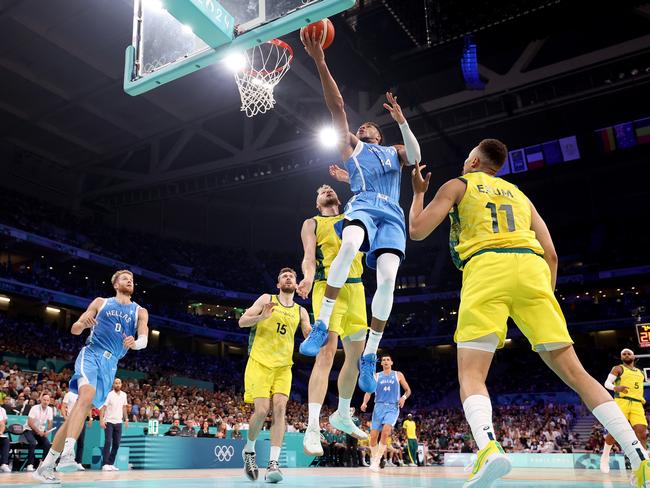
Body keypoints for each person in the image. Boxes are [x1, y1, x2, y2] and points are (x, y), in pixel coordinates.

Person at [408, 139, 650, 487]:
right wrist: (541, 297)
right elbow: (551, 254)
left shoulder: (458, 184)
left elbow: (417, 230)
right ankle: (640, 458)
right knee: (578, 375)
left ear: (474, 160)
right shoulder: (520, 196)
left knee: (472, 376)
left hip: (486, 268)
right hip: (533, 270)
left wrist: (418, 193)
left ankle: (489, 448)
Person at [298, 28, 422, 393]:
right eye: (363, 124)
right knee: (349, 243)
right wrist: (321, 61)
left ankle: (370, 353)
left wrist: (401, 119)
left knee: (387, 281)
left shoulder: (395, 151)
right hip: (364, 206)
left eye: (371, 125)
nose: (365, 125)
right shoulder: (353, 148)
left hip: (393, 216)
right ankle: (321, 324)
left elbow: (415, 156)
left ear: (380, 135)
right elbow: (336, 107)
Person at [33, 269, 149, 484]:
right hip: (92, 353)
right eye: (125, 278)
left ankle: (46, 466)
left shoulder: (140, 311)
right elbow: (75, 330)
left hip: (111, 364)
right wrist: (82, 323)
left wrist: (136, 343)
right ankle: (68, 453)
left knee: (75, 415)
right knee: (86, 395)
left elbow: (144, 339)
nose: (130, 281)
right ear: (115, 284)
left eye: (132, 279)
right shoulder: (101, 302)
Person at [297, 184, 369, 455]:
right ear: (317, 203)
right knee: (326, 354)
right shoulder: (311, 223)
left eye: (328, 187)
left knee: (355, 358)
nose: (325, 189)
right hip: (327, 288)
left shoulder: (353, 214)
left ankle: (341, 413)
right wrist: (306, 276)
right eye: (320, 191)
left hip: (357, 289)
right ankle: (312, 428)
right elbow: (308, 257)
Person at [238, 268, 311, 483]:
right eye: (284, 277)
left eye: (292, 277)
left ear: (297, 285)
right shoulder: (266, 299)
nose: (288, 278)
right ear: (278, 284)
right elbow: (242, 322)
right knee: (261, 411)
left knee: (280, 408)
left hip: (283, 367)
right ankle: (249, 451)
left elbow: (308, 331)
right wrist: (262, 316)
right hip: (260, 363)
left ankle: (273, 464)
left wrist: (312, 333)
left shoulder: (301, 311)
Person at [360, 354, 411, 472]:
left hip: (392, 407)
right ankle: (376, 459)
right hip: (378, 407)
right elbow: (368, 391)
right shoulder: (376, 376)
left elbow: (408, 390)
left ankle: (376, 461)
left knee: (386, 431)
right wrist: (364, 403)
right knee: (373, 437)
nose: (386, 361)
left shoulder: (398, 374)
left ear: (391, 362)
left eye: (388, 360)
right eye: (383, 360)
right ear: (381, 363)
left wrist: (403, 397)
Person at [600, 348, 647, 473]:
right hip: (622, 402)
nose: (626, 355)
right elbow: (606, 383)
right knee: (616, 432)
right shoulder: (618, 368)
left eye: (629, 353)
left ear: (633, 356)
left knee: (642, 433)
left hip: (637, 403)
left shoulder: (640, 372)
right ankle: (605, 457)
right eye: (624, 354)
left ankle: (644, 463)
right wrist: (616, 387)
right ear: (621, 358)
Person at [100, 378, 129, 471]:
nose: (117, 385)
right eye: (116, 383)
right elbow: (103, 408)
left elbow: (124, 408)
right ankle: (105, 464)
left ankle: (110, 463)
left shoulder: (124, 395)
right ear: (113, 385)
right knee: (108, 442)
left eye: (119, 383)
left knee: (116, 444)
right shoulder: (109, 394)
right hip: (109, 421)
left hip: (119, 422)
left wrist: (126, 419)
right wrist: (101, 420)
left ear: (121, 384)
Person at [60, 388, 92, 471]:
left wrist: (90, 418)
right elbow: (63, 407)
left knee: (81, 442)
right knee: (68, 441)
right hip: (71, 420)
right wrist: (66, 418)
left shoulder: (84, 395)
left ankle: (78, 462)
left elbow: (88, 407)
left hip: (81, 420)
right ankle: (64, 461)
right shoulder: (69, 394)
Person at [24, 392, 53, 472]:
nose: (46, 402)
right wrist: (38, 431)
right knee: (33, 443)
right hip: (29, 430)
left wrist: (47, 431)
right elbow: (30, 423)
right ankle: (30, 464)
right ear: (41, 400)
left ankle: (43, 464)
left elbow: (50, 422)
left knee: (47, 444)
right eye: (44, 400)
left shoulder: (50, 409)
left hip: (40, 431)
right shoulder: (34, 408)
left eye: (47, 400)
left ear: (49, 402)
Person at [0, 402, 11, 473]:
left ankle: (4, 464)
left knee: (5, 441)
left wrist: (1, 432)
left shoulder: (2, 410)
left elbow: (3, 422)